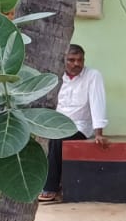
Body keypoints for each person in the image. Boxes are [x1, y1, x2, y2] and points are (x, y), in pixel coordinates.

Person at [39, 44, 109, 204]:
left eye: (80, 60)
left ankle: (50, 188)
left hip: (79, 126)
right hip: (53, 123)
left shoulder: (93, 76)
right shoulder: (55, 76)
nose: (76, 64)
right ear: (63, 60)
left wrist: (99, 133)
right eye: (71, 60)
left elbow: (98, 102)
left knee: (57, 140)